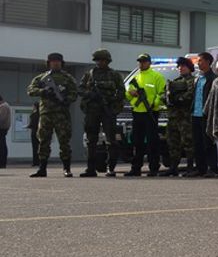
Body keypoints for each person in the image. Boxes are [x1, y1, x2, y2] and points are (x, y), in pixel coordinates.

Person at [28, 53, 78, 178]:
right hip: (46, 113)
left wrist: (67, 99)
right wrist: (43, 91)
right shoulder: (42, 77)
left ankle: (67, 168)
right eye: (53, 61)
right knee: (43, 141)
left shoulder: (67, 78)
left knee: (64, 141)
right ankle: (42, 168)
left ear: (62, 63)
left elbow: (74, 93)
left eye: (58, 61)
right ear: (49, 63)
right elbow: (30, 90)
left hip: (62, 114)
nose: (55, 63)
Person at [78, 49, 125, 177]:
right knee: (91, 140)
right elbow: (80, 89)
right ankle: (90, 168)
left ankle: (111, 168)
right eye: (98, 60)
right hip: (92, 111)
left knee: (111, 140)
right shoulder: (89, 74)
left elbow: (121, 92)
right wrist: (90, 95)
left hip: (108, 110)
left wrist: (111, 101)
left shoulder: (114, 75)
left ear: (107, 61)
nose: (100, 63)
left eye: (103, 60)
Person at [124, 54, 166, 177]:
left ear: (149, 63)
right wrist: (131, 93)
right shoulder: (136, 78)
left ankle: (154, 167)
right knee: (137, 141)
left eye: (144, 61)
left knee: (152, 141)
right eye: (140, 62)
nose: (141, 64)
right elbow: (128, 94)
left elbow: (162, 93)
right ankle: (136, 168)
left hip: (151, 112)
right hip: (137, 112)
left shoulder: (157, 76)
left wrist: (154, 104)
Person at [162, 57, 197, 177]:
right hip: (173, 117)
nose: (180, 68)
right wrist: (167, 98)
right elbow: (164, 95)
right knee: (172, 142)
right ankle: (173, 167)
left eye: (183, 66)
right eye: (179, 66)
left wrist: (177, 98)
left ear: (189, 68)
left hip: (185, 117)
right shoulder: (174, 81)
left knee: (188, 142)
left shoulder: (193, 81)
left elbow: (190, 96)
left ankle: (190, 166)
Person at [191, 52, 218, 177]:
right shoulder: (198, 78)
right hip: (195, 114)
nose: (198, 63)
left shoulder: (213, 78)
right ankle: (200, 168)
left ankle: (212, 168)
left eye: (201, 60)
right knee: (197, 143)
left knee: (208, 142)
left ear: (208, 62)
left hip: (207, 115)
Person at [0, 95, 10, 168]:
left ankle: (2, 163)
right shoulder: (4, 106)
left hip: (1, 128)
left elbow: (1, 118)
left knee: (2, 146)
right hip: (3, 128)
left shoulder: (3, 106)